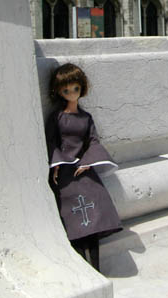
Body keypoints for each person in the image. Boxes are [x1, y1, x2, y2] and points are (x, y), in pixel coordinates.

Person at [45, 63, 121, 271]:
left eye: (75, 88)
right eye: (66, 90)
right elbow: (51, 142)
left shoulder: (86, 118)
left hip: (84, 169)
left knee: (95, 215)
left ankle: (96, 267)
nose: (71, 93)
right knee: (74, 220)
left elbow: (93, 141)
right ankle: (83, 268)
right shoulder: (57, 118)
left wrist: (88, 162)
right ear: (59, 91)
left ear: (82, 88)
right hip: (66, 173)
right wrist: (56, 164)